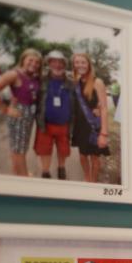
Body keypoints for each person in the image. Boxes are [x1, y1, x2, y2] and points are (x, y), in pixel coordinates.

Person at [0, 48, 42, 176]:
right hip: (19, 114)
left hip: (28, 115)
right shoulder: (14, 74)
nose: (33, 64)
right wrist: (5, 108)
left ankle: (16, 172)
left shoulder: (33, 76)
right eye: (30, 60)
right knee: (20, 150)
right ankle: (23, 177)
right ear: (23, 60)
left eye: (37, 62)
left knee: (18, 147)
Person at [34, 50, 75, 180]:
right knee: (44, 149)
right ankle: (45, 171)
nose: (57, 65)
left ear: (64, 65)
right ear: (49, 64)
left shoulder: (71, 82)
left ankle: (61, 168)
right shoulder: (41, 80)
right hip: (45, 123)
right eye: (54, 62)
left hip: (64, 124)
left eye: (60, 62)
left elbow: (81, 99)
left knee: (63, 149)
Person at [70, 53, 110, 183]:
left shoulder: (97, 82)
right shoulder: (75, 82)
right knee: (82, 155)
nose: (80, 65)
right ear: (74, 65)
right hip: (80, 126)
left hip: (93, 126)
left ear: (88, 65)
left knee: (94, 157)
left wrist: (104, 133)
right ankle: (87, 177)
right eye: (77, 62)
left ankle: (93, 181)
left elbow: (104, 108)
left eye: (83, 62)